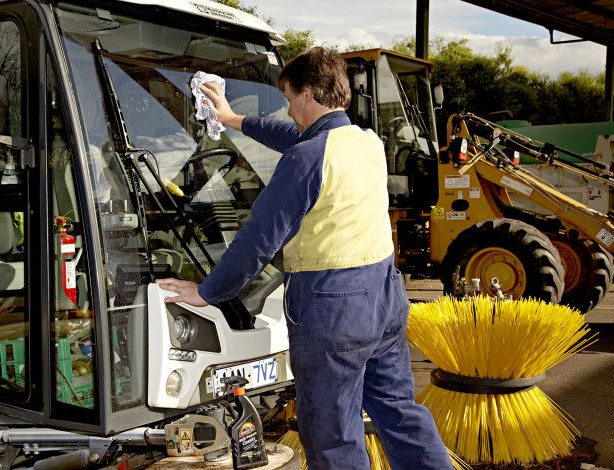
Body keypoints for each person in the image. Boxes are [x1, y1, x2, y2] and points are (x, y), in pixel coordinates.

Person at [158, 47, 451, 470]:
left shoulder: (306, 158)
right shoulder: (365, 140)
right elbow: (295, 136)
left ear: (309, 95)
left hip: (334, 307)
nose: (288, 108)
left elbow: (258, 239)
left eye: (290, 98)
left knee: (332, 430)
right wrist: (232, 120)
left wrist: (209, 292)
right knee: (398, 411)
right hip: (385, 298)